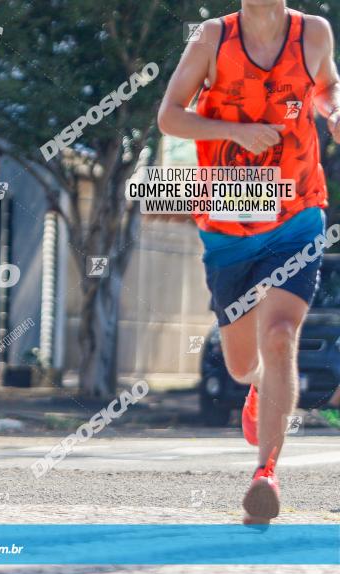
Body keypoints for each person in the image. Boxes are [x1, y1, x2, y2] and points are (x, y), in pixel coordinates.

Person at [158, 0, 340, 523]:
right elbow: (169, 116)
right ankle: (259, 386)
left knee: (281, 335)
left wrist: (333, 111)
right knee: (241, 364)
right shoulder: (213, 39)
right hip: (229, 214)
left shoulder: (314, 33)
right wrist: (233, 132)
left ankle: (267, 474)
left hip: (298, 209)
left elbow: (327, 88)